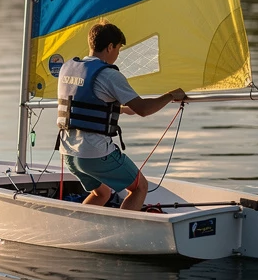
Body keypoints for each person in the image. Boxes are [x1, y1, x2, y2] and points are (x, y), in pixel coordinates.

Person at [56, 22, 187, 211]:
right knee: (140, 187)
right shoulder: (108, 75)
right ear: (110, 47)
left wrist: (120, 109)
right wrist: (171, 96)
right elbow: (143, 109)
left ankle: (77, 229)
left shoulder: (68, 68)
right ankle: (121, 237)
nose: (117, 54)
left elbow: (85, 102)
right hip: (95, 153)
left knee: (102, 193)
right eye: (118, 49)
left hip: (68, 152)